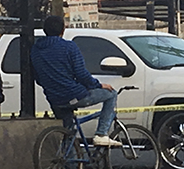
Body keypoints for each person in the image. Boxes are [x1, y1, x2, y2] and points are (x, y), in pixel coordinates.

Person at [30, 15, 122, 147]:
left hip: (54, 98)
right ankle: (101, 134)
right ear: (63, 29)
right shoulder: (69, 47)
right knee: (111, 94)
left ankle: (71, 166)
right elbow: (81, 74)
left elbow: (37, 76)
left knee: (69, 133)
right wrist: (98, 85)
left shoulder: (35, 50)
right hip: (74, 94)